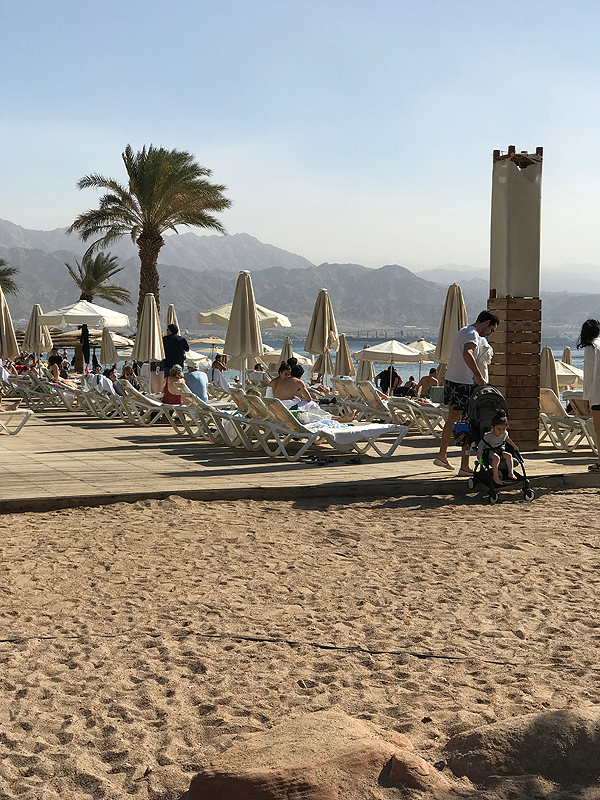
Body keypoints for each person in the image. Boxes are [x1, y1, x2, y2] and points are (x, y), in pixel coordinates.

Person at [434, 310, 500, 474]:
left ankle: (442, 455)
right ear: (487, 323)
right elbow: (467, 352)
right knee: (468, 423)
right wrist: (479, 376)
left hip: (452, 380)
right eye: (491, 329)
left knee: (452, 420)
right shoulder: (472, 334)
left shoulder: (463, 331)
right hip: (463, 383)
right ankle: (464, 465)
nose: (490, 334)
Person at [274, 364, 355, 423]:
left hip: (279, 408)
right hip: (289, 408)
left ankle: (339, 418)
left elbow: (281, 395)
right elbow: (308, 399)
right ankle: (339, 418)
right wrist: (301, 399)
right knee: (312, 404)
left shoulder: (282, 381)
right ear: (300, 376)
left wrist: (295, 398)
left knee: (311, 407)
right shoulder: (299, 382)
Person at [577, 318, 600, 472]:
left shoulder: (591, 347)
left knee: (599, 430)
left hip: (598, 394)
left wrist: (586, 398)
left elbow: (589, 374)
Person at [477, 412, 518, 486]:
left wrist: (514, 446)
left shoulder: (505, 434)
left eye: (504, 429)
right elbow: (481, 444)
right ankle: (495, 476)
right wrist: (479, 452)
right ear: (492, 428)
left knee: (509, 456)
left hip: (499, 450)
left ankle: (510, 473)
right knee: (496, 458)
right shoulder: (488, 436)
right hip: (489, 451)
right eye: (499, 429)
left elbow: (508, 439)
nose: (501, 432)